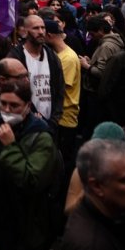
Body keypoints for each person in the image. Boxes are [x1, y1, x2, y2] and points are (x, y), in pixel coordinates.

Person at [0, 80, 59, 250]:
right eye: (3, 104)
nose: (7, 110)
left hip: (23, 227)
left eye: (14, 106)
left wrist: (10, 147)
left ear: (27, 106)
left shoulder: (40, 137)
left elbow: (32, 180)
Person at [45, 18, 80, 171]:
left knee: (61, 164)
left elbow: (59, 89)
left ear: (49, 35)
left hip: (64, 118)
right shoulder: (57, 55)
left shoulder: (68, 58)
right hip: (58, 117)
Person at [19, 15, 64, 131]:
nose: (41, 32)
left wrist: (54, 120)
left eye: (43, 28)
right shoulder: (18, 57)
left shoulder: (52, 57)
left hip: (51, 123)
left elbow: (60, 89)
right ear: (25, 31)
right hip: (26, 123)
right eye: (35, 28)